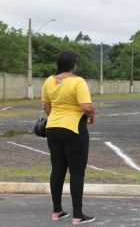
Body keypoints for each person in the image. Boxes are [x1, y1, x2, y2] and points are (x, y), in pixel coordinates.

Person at [41, 50, 96, 224]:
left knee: (57, 170)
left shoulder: (49, 81)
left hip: (52, 128)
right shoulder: (78, 81)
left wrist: (56, 117)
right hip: (73, 128)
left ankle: (57, 211)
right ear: (73, 64)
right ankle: (78, 215)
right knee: (77, 171)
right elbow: (86, 106)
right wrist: (92, 115)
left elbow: (46, 106)